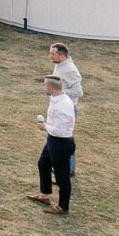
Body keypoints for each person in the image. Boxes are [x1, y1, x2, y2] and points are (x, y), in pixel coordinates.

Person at [28, 75, 76, 215]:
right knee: (43, 164)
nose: (44, 87)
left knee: (62, 177)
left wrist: (45, 127)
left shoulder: (62, 106)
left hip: (60, 143)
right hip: (53, 140)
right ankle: (44, 195)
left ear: (50, 87)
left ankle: (63, 207)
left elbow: (60, 131)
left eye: (45, 85)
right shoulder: (58, 98)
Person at [49, 43, 83, 175]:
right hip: (58, 107)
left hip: (67, 109)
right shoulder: (59, 65)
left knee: (64, 140)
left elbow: (78, 92)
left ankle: (69, 169)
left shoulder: (70, 70)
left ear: (62, 56)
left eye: (52, 54)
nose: (49, 56)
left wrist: (58, 91)